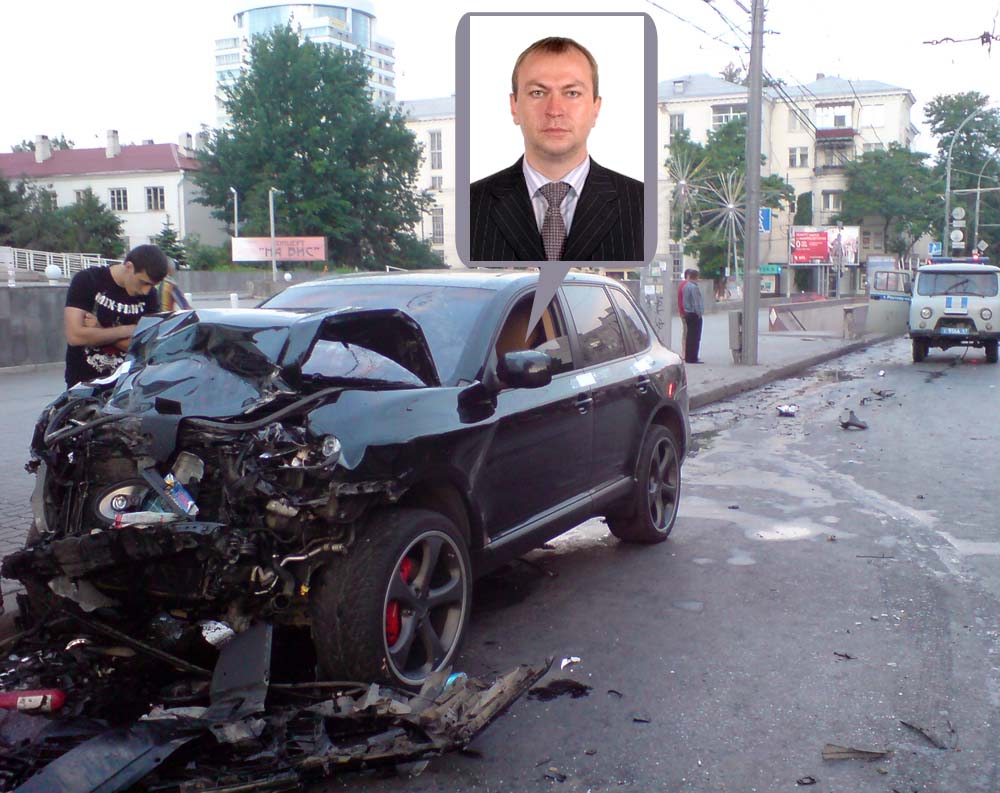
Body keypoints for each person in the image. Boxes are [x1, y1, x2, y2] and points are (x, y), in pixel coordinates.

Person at [469, 36, 643, 262]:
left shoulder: (642, 205)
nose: (554, 110)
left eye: (572, 93)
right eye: (538, 93)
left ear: (595, 108)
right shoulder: (470, 206)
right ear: (514, 107)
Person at [63, 244, 169, 388]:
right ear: (129, 266)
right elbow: (75, 336)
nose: (145, 291)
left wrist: (99, 329)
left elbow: (145, 348)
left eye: (151, 286)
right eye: (143, 283)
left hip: (128, 387)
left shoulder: (150, 296)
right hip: (84, 385)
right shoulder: (88, 280)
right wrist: (126, 331)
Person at [681, 268, 704, 364]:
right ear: (696, 277)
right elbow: (696, 301)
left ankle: (688, 357)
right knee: (695, 337)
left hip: (687, 313)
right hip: (694, 314)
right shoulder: (694, 287)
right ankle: (693, 357)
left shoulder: (685, 286)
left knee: (689, 336)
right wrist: (699, 313)